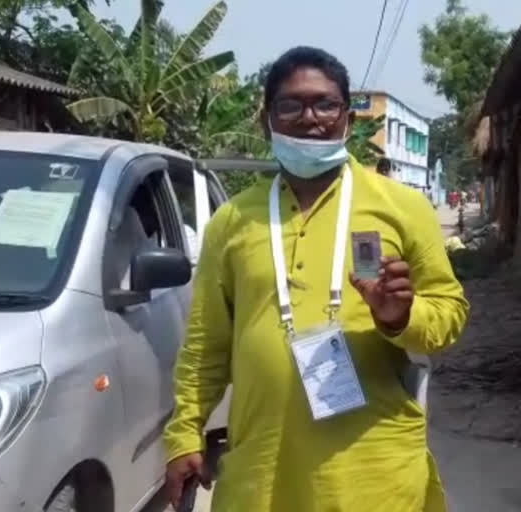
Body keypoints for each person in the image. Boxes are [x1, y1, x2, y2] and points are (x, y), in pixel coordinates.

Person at [163, 46, 469, 512]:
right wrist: (185, 432)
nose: (310, 118)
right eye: (291, 105)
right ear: (266, 120)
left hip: (371, 470)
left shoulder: (401, 208)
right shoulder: (233, 221)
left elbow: (449, 316)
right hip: (263, 469)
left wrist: (400, 317)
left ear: (347, 118)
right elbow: (205, 343)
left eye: (325, 104)